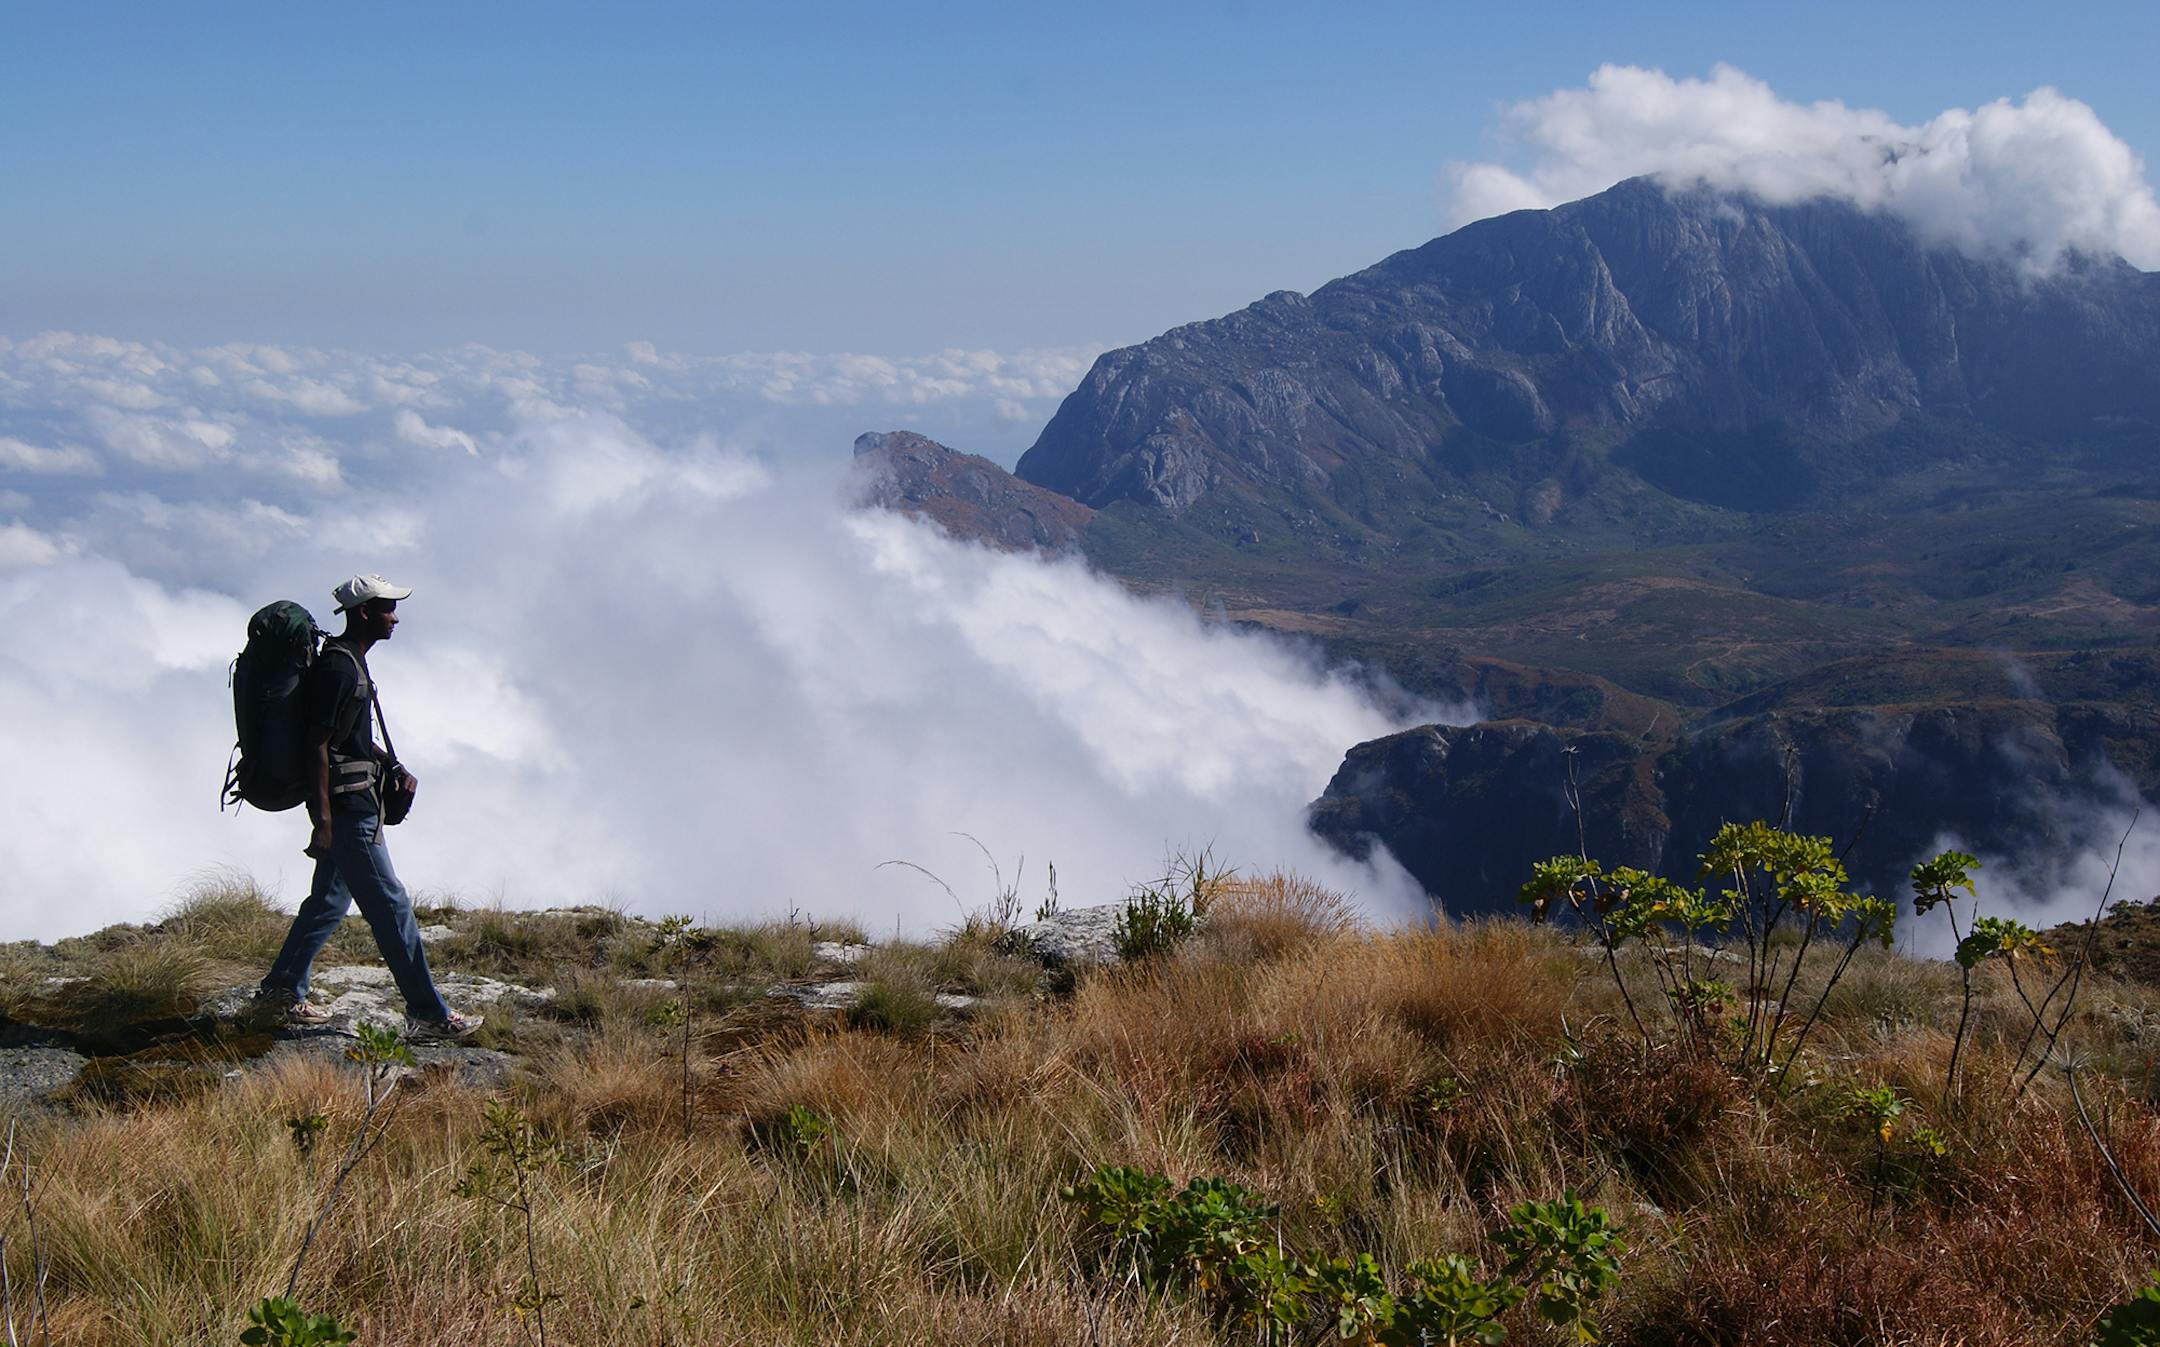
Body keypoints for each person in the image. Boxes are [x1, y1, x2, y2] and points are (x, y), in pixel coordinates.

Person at [256, 574, 481, 1043]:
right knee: (391, 907)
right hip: (349, 812)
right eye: (387, 608)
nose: (394, 617)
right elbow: (316, 744)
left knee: (327, 903)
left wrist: (392, 764)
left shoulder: (348, 662)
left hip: (354, 805)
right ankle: (427, 1013)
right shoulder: (340, 668)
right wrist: (323, 823)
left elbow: (344, 736)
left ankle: (281, 990)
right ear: (364, 613)